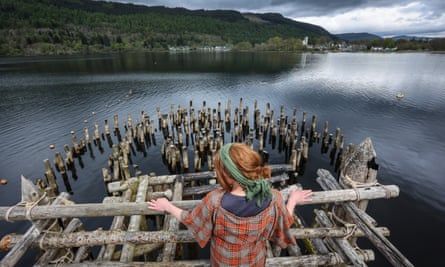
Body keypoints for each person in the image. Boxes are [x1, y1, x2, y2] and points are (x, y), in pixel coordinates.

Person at [148, 143, 313, 266]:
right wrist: (292, 201)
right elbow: (282, 228)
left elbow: (191, 220)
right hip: (255, 261)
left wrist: (168, 206)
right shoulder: (274, 198)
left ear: (227, 175)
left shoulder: (214, 201)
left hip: (223, 261)